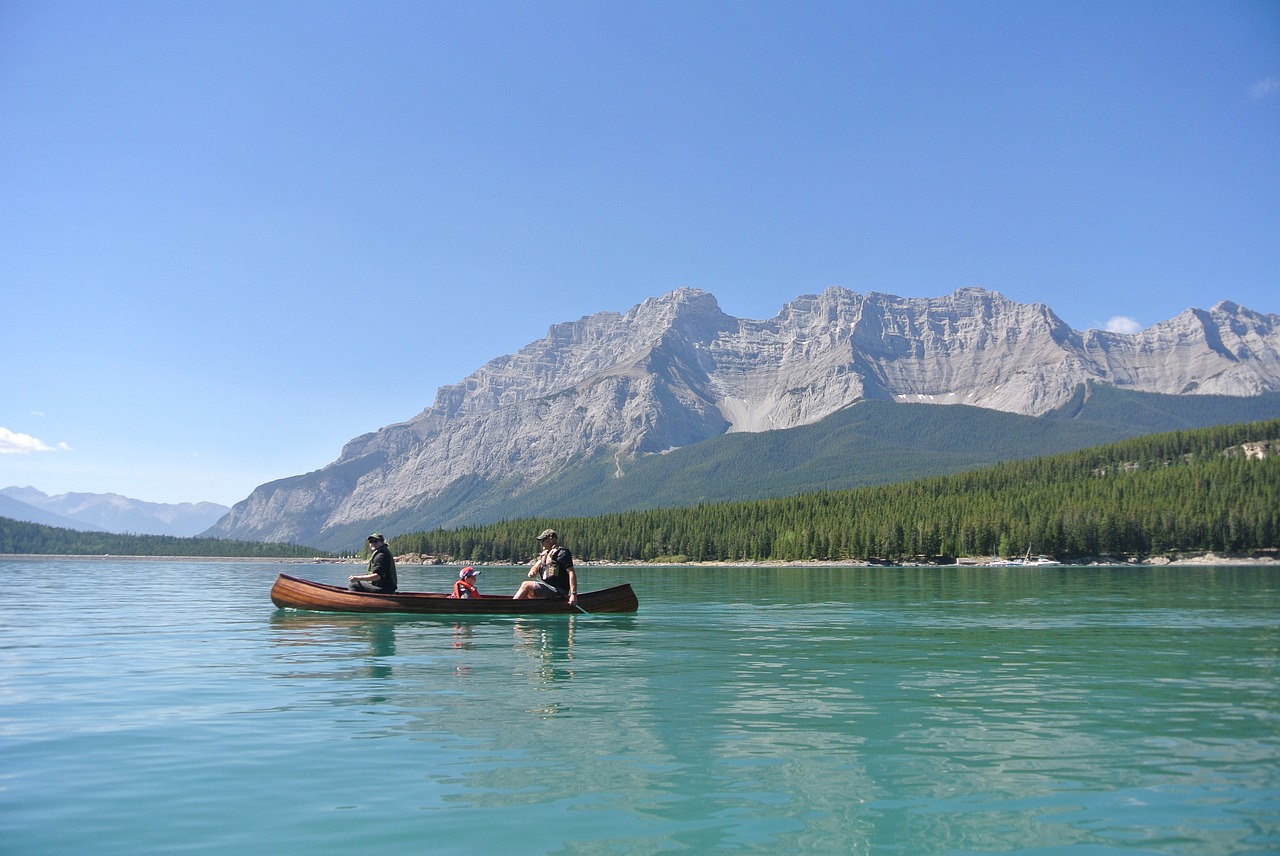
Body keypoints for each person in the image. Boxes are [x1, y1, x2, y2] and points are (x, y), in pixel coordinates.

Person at [514, 528, 577, 605]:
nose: (541, 543)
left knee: (526, 585)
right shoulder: (546, 554)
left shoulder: (562, 553)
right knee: (527, 593)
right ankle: (521, 608)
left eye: (543, 540)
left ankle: (512, 606)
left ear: (550, 539)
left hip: (558, 592)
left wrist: (573, 594)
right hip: (547, 589)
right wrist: (532, 571)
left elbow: (571, 573)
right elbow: (536, 566)